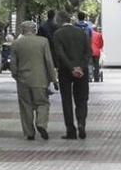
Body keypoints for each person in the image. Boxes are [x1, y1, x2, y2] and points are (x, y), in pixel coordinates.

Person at [10, 21, 58, 141]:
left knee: (25, 106)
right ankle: (41, 123)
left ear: (22, 30)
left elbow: (13, 63)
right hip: (40, 79)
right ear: (35, 30)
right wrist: (53, 79)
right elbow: (48, 61)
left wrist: (16, 76)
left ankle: (29, 132)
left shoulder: (16, 43)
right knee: (43, 103)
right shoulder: (43, 41)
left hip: (23, 80)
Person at [53, 11, 91, 139]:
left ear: (59, 20)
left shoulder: (58, 34)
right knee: (82, 99)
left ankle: (71, 130)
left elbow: (60, 54)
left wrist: (71, 68)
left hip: (65, 71)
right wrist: (81, 67)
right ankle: (81, 122)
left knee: (67, 100)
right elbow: (88, 52)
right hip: (82, 72)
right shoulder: (82, 32)